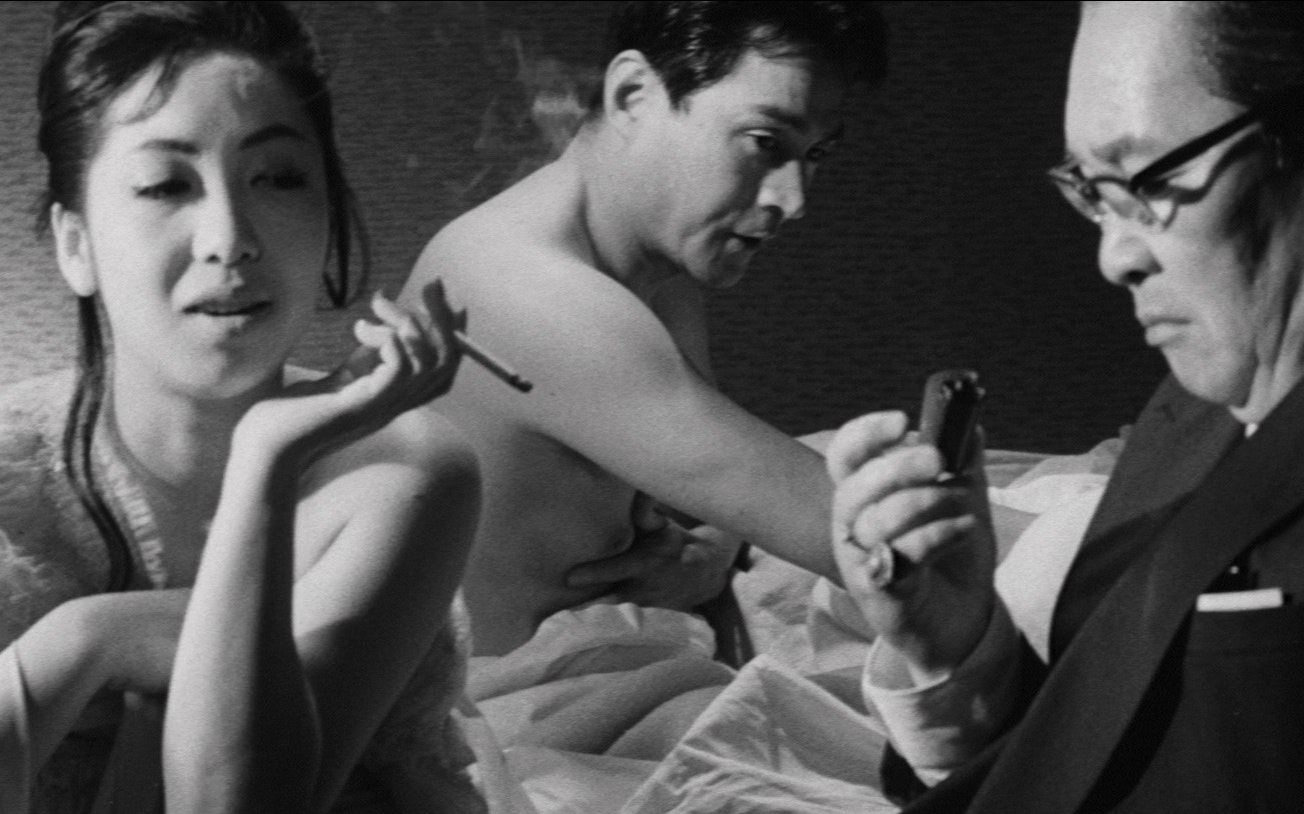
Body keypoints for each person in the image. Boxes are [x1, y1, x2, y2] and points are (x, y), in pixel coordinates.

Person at [0, 2, 483, 812]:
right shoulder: (11, 484)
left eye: (278, 177)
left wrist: (267, 456)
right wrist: (77, 642)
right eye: (165, 185)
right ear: (75, 245)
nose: (229, 237)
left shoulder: (405, 470)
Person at [828, 1, 1304, 810]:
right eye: (1093, 192)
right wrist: (958, 653)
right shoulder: (1190, 413)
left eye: (1149, 180)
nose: (1114, 257)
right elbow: (1098, 753)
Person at [399, 0, 887, 660]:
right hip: (509, 698)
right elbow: (851, 530)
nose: (793, 201)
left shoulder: (656, 258)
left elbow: (720, 484)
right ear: (633, 94)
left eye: (815, 154)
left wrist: (709, 556)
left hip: (615, 651)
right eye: (766, 143)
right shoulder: (539, 294)